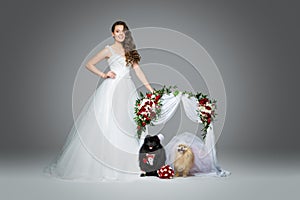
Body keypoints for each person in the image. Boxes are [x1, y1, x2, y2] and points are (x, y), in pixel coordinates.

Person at [44, 21, 154, 181]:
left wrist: (150, 89)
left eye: (123, 31)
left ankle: (127, 164)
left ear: (126, 33)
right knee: (108, 124)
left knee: (126, 125)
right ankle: (105, 165)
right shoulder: (108, 50)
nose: (120, 34)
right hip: (112, 89)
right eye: (117, 31)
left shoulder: (130, 50)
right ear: (112, 34)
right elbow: (89, 64)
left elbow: (138, 71)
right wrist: (104, 75)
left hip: (127, 89)